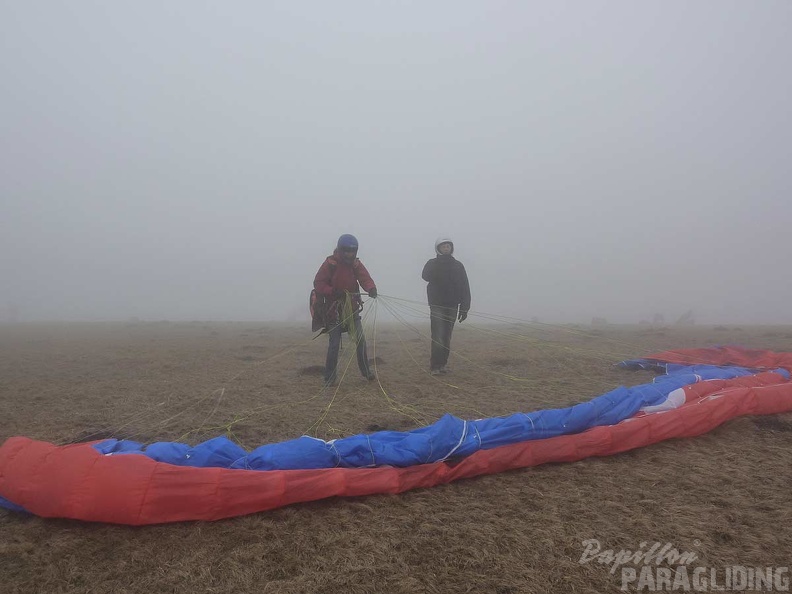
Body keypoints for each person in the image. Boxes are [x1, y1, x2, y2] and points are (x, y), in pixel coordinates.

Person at [314, 234, 378, 385]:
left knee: (360, 340)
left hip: (352, 309)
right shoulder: (331, 263)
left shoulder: (355, 264)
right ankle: (330, 378)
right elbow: (318, 283)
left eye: (352, 251)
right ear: (340, 250)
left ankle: (366, 371)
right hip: (333, 310)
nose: (350, 254)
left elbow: (364, 278)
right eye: (347, 251)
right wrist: (332, 291)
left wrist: (371, 288)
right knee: (334, 343)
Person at [422, 237, 471, 375]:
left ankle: (443, 365)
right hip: (437, 305)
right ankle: (435, 366)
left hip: (453, 306)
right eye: (443, 246)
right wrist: (438, 265)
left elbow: (465, 286)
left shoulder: (458, 266)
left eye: (448, 246)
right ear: (438, 248)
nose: (446, 248)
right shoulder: (432, 263)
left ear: (452, 248)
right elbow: (425, 276)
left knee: (446, 336)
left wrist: (465, 307)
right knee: (437, 335)